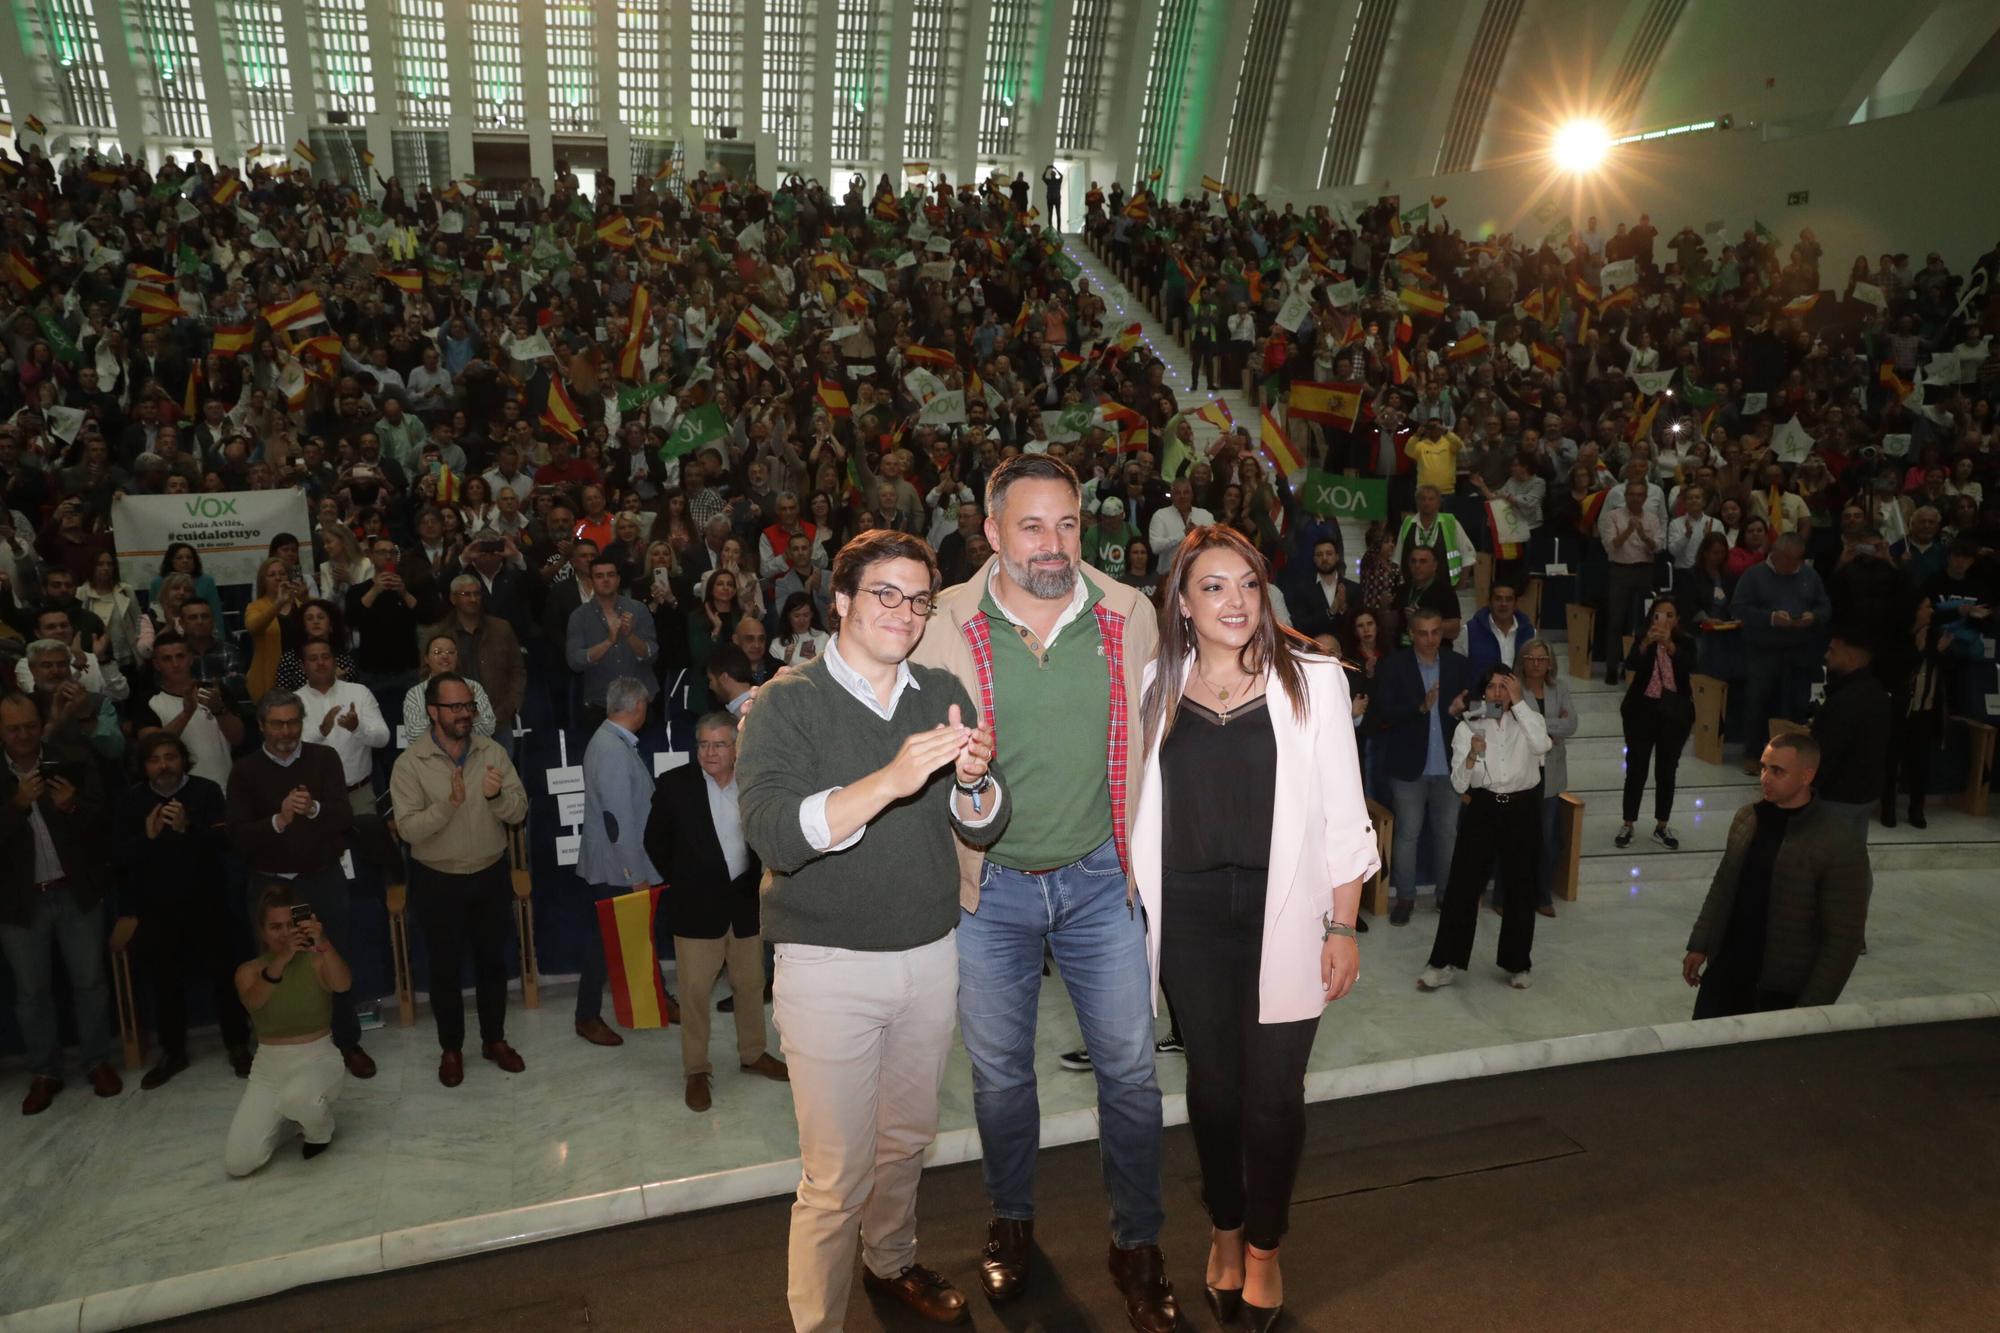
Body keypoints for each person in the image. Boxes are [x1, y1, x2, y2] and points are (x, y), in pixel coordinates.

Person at [907, 455, 1177, 1329]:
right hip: (989, 892)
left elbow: (1199, 675)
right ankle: (1011, 1222)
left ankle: (1136, 1242)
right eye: (1030, 526)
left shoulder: (1126, 612)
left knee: (1132, 1076)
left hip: (1102, 881)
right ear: (990, 532)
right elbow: (859, 677)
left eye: (1067, 523)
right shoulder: (941, 618)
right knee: (999, 1079)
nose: (1052, 544)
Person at [737, 529, 1007, 1331]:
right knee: (836, 1174)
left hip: (929, 952)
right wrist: (889, 780)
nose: (906, 610)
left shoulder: (938, 690)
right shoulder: (789, 700)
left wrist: (974, 781)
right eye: (885, 592)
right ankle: (818, 1322)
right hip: (828, 964)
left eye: (919, 597)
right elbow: (775, 834)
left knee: (906, 1140)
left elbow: (985, 828)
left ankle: (890, 1262)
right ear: (843, 600)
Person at [1129, 526, 1375, 1328]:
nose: (1234, 600)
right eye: (1212, 587)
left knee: (1274, 1096)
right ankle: (1226, 1230)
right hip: (1192, 918)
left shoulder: (1314, 680)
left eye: (1246, 583)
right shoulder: (1155, 682)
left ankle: (1265, 1247)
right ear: (1184, 603)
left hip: (1291, 911)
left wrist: (1345, 925)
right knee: (1214, 1091)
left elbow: (1344, 814)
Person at [389, 671, 531, 1087]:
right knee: (445, 971)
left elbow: (519, 810)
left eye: (468, 705)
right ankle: (451, 1049)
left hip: (489, 873)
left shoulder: (492, 753)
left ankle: (494, 1041)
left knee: (492, 964)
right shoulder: (409, 763)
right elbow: (409, 829)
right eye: (455, 707)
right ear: (432, 711)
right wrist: (448, 806)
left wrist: (495, 797)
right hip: (437, 879)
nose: (465, 714)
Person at [225, 691, 375, 1079]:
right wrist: (280, 819)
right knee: (274, 964)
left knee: (332, 957)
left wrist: (314, 809)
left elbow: (343, 817)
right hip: (270, 886)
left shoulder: (323, 759)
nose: (286, 731)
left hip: (321, 878)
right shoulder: (244, 771)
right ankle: (273, 1050)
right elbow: (238, 837)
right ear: (261, 726)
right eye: (277, 723)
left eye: (293, 722)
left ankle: (347, 1042)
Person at [643, 712, 788, 1112]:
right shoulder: (675, 787)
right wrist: (687, 878)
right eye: (703, 744)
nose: (710, 752)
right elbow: (654, 842)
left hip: (744, 907)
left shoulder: (753, 782)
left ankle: (753, 1054)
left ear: (736, 748)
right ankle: (696, 1070)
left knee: (750, 984)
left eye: (719, 744)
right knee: (693, 994)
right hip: (695, 909)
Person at [1682, 732, 1869, 1018]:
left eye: (1777, 771)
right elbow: (1724, 885)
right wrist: (1700, 944)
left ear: (1807, 776)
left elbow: (1843, 938)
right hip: (1726, 972)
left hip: (1779, 987)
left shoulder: (1837, 842)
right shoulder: (1748, 818)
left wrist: (1812, 1006)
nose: (1765, 778)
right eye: (1764, 767)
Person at [1, 690, 122, 1114]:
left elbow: (102, 820)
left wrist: (71, 807)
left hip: (75, 892)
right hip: (19, 903)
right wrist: (16, 806)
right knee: (32, 993)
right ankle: (45, 1072)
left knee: (90, 982)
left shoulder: (69, 756)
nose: (23, 735)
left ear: (40, 723)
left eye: (29, 726)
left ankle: (98, 1062)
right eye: (13, 728)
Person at [112, 731, 249, 1089]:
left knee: (225, 978)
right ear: (144, 767)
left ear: (182, 759)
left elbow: (225, 841)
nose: (163, 766)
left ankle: (237, 1045)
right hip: (157, 909)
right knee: (164, 985)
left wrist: (188, 829)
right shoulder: (131, 802)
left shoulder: (205, 791)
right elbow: (121, 858)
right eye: (155, 760)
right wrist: (148, 837)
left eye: (170, 757)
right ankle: (173, 1052)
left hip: (208, 903)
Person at [1417, 662, 1551, 991]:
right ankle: (1443, 963)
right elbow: (1461, 784)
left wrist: (1520, 703)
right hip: (1485, 809)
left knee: (1521, 885)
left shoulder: (1529, 720)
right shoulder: (1469, 726)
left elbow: (1543, 744)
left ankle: (1518, 963)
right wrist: (1472, 757)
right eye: (1492, 687)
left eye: (1504, 686)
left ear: (1514, 690)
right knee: (1463, 887)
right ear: (1483, 692)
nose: (1498, 693)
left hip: (1522, 809)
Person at [224, 886, 351, 1175]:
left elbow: (343, 984)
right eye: (275, 927)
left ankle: (320, 1130)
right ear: (262, 930)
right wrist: (281, 960)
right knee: (239, 1164)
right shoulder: (249, 971)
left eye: (290, 925)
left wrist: (324, 942)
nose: (283, 933)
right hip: (269, 1067)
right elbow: (255, 1002)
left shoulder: (318, 960)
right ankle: (290, 1121)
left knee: (297, 1097)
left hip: (318, 1058)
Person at [572, 676, 670, 1047]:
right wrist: (634, 873)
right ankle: (586, 1016)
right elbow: (617, 821)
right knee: (603, 943)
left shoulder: (612, 741)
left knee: (639, 934)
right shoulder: (611, 749)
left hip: (621, 863)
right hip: (617, 867)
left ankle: (661, 998)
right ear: (638, 707)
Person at [1364, 607, 1475, 925]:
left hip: (1449, 767)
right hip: (1408, 765)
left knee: (1447, 834)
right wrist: (1421, 707)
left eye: (1436, 632)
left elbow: (1474, 706)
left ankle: (1446, 896)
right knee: (1408, 835)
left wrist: (1459, 710)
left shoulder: (1457, 664)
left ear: (1443, 632)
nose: (1430, 639)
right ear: (1411, 633)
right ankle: (1406, 898)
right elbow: (1385, 712)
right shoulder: (1394, 666)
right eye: (1423, 632)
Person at [1730, 533, 1831, 774]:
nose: (1794, 564)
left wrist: (1814, 616)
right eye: (1788, 559)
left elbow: (1824, 604)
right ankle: (1753, 753)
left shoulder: (1809, 575)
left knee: (1796, 705)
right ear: (1775, 553)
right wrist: (1771, 619)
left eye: (1798, 559)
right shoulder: (1754, 576)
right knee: (1758, 701)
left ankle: (1791, 758)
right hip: (1763, 650)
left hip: (1800, 649)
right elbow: (1738, 608)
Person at [1503, 638, 1574, 918]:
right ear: (1523, 661)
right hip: (1523, 771)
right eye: (1531, 658)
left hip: (1552, 774)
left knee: (1547, 840)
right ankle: (1508, 895)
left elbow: (1572, 724)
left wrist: (1537, 726)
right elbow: (1514, 723)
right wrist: (1546, 729)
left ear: (1550, 663)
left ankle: (1541, 893)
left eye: (1542, 659)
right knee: (1515, 837)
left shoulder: (1560, 689)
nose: (1536, 664)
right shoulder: (1513, 687)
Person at [1616, 597, 1695, 850]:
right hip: (1641, 712)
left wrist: (1670, 646)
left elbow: (1691, 666)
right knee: (1636, 768)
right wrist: (1646, 644)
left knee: (1667, 770)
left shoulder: (1686, 642)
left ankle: (1662, 825)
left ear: (1677, 619)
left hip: (1674, 714)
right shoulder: (1643, 638)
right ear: (1652, 618)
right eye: (1659, 615)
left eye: (1670, 615)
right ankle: (1628, 824)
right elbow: (1631, 665)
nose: (1664, 620)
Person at [430, 574, 526, 753]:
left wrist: (513, 704)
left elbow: (517, 669)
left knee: (501, 778)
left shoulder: (501, 628)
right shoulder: (439, 633)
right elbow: (428, 676)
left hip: (499, 719)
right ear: (453, 598)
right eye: (466, 594)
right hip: (455, 724)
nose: (473, 599)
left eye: (477, 594)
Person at [1809, 634, 1892, 838]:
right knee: (1853, 859)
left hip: (1839, 796)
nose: (1826, 656)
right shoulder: (1877, 691)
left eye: (1833, 651)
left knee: (1833, 862)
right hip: (1866, 793)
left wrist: (1806, 787)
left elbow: (1827, 752)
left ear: (1852, 657)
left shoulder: (1846, 701)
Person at [296, 639, 392, 814]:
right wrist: (320, 732)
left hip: (359, 795)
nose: (320, 663)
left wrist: (358, 728)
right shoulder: (294, 702)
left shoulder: (359, 692)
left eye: (325, 657)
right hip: (315, 799)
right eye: (313, 658)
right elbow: (289, 749)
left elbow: (383, 738)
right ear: (302, 666)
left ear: (334, 661)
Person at [567, 554, 659, 733]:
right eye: (599, 576)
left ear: (618, 579)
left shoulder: (638, 610)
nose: (606, 580)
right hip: (601, 705)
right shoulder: (579, 616)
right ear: (591, 580)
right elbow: (575, 661)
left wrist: (630, 635)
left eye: (610, 575)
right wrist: (609, 641)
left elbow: (652, 655)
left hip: (640, 704)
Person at [1598, 480, 1663, 685]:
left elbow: (1658, 547)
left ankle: (1639, 667)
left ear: (1645, 497)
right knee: (1616, 621)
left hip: (1645, 570)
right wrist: (1628, 531)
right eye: (1632, 494)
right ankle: (1611, 668)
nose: (1636, 498)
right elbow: (1611, 546)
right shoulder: (1613, 516)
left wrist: (1643, 535)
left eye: (1640, 494)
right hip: (1620, 570)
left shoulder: (1653, 518)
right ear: (1626, 496)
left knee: (1645, 622)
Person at [401, 633, 497, 746]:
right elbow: (414, 735)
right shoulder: (415, 693)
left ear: (457, 656)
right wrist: (456, 726)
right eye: (437, 652)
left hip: (471, 756)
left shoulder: (473, 687)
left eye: (450, 652)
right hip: (430, 759)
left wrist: (472, 710)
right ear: (426, 658)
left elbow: (488, 729)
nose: (445, 656)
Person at [1463, 579, 1533, 671]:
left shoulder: (1529, 633)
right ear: (1489, 602)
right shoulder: (1469, 631)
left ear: (1516, 604)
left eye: (1509, 599)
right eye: (1498, 599)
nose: (1503, 604)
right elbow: (1458, 669)